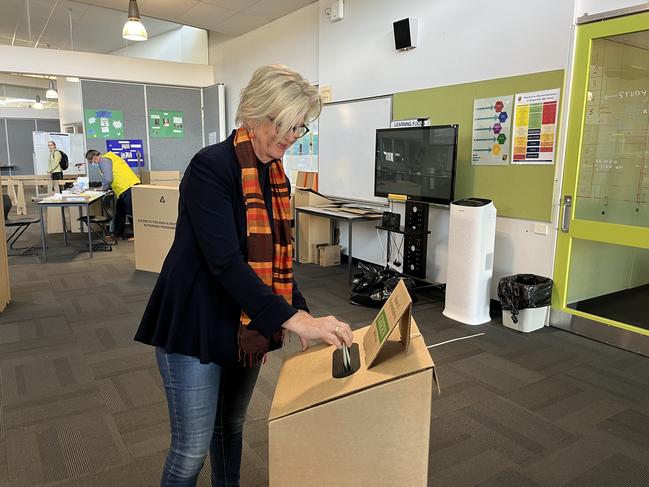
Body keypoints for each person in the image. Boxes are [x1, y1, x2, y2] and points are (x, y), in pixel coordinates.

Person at [134, 64, 353, 487]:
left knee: (228, 428)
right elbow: (225, 262)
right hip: (196, 322)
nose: (292, 137)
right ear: (255, 114)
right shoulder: (210, 167)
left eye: (301, 128)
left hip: (245, 323)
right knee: (191, 450)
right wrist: (291, 319)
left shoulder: (275, 176)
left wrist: (299, 309)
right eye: (287, 125)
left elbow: (279, 260)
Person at [85, 149, 140, 237]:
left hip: (127, 187)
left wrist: (103, 188)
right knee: (120, 211)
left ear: (94, 158)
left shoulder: (104, 160)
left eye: (91, 161)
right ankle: (117, 233)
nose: (93, 163)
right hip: (125, 187)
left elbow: (108, 178)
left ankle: (138, 235)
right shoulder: (109, 157)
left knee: (131, 212)